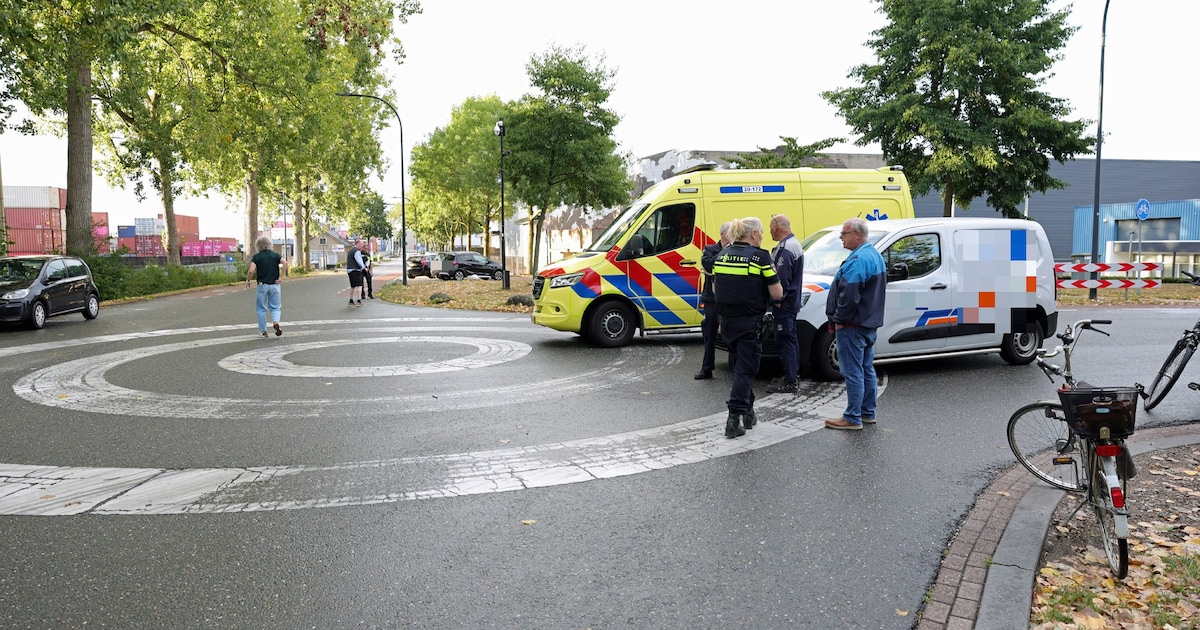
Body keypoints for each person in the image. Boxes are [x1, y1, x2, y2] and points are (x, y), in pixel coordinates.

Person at [712, 217, 783, 438]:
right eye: (761, 232)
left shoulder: (721, 255)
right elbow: (777, 293)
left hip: (727, 324)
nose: (762, 236)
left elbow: (716, 290)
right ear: (753, 234)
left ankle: (749, 412)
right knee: (745, 370)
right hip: (750, 323)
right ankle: (734, 419)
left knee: (741, 368)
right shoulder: (760, 258)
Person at [824, 217, 886, 431]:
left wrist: (839, 319)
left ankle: (852, 417)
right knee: (866, 369)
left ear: (857, 234)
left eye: (844, 233)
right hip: (868, 324)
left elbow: (849, 296)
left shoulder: (858, 260)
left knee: (853, 372)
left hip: (853, 325)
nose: (841, 237)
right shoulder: (874, 255)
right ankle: (867, 412)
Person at [766, 214, 804, 394]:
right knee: (791, 339)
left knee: (785, 341)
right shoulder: (792, 244)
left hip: (785, 304)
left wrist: (778, 300)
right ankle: (792, 375)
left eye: (770, 227)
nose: (769, 231)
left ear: (777, 227)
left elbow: (781, 278)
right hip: (790, 303)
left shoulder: (787, 247)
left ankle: (790, 381)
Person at [695, 221, 732, 380]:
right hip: (712, 299)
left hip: (729, 300)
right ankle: (707, 368)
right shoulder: (710, 249)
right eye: (731, 232)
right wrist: (725, 253)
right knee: (709, 334)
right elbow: (708, 264)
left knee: (731, 333)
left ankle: (735, 366)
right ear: (723, 234)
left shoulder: (735, 250)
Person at [245, 235, 284, 338]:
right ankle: (275, 322)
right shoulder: (276, 255)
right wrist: (281, 276)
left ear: (258, 246)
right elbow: (285, 263)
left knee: (261, 309)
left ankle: (263, 331)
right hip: (275, 285)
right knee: (275, 307)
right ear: (270, 245)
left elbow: (251, 271)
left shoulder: (257, 257)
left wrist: (248, 281)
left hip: (262, 285)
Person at [346, 239, 366, 306]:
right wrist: (364, 268)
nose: (362, 246)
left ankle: (351, 300)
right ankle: (358, 300)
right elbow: (359, 261)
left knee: (353, 286)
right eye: (361, 245)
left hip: (349, 270)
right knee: (359, 285)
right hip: (355, 270)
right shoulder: (356, 251)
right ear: (358, 244)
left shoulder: (350, 251)